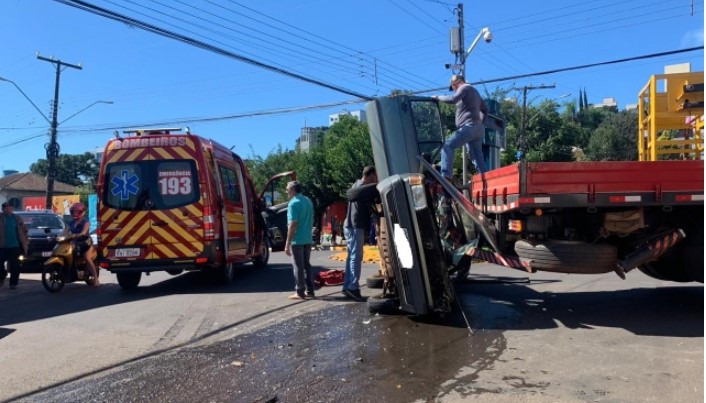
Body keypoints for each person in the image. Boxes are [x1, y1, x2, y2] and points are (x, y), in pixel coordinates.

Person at [432, 74, 488, 179]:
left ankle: (446, 175)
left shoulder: (464, 87)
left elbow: (453, 99)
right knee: (477, 157)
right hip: (478, 128)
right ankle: (486, 178)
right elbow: (485, 109)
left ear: (455, 83)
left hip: (468, 127)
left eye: (452, 87)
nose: (453, 90)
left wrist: (437, 97)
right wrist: (481, 124)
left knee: (447, 145)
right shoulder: (475, 92)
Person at [342, 165, 377, 302]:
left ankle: (347, 286)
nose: (375, 180)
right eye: (375, 177)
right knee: (356, 256)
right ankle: (353, 287)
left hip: (349, 225)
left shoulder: (355, 185)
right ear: (370, 175)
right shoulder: (364, 188)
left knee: (351, 256)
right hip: (355, 225)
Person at [284, 181, 315, 300]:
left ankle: (300, 291)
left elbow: (293, 224)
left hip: (297, 240)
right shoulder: (307, 200)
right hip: (307, 238)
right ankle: (310, 290)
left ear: (293, 190)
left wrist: (287, 243)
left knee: (298, 266)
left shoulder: (293, 204)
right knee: (307, 265)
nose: (286, 191)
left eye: (287, 189)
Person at [65, 202, 100, 287]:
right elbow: (65, 231)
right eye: (73, 212)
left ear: (82, 212)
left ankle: (96, 279)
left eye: (77, 212)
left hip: (86, 243)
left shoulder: (86, 222)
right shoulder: (70, 223)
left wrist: (79, 234)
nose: (75, 214)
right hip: (74, 243)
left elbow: (84, 232)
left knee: (87, 257)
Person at [0, 202, 29, 290]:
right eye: (7, 208)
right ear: (3, 209)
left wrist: (25, 239)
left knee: (15, 265)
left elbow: (24, 230)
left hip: (15, 245)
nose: (9, 209)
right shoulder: (0, 218)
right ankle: (2, 276)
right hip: (2, 246)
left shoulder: (17, 218)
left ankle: (13, 283)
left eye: (10, 208)